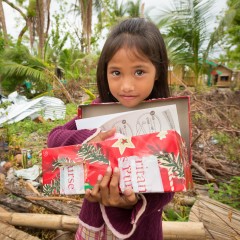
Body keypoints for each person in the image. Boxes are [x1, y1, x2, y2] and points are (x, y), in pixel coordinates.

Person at [47, 18, 174, 240]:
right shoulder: (97, 114)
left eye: (139, 72)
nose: (126, 85)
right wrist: (92, 138)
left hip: (141, 231)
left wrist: (131, 202)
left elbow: (170, 185)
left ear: (158, 72)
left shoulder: (168, 122)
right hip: (93, 228)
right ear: (104, 72)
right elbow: (54, 138)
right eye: (116, 72)